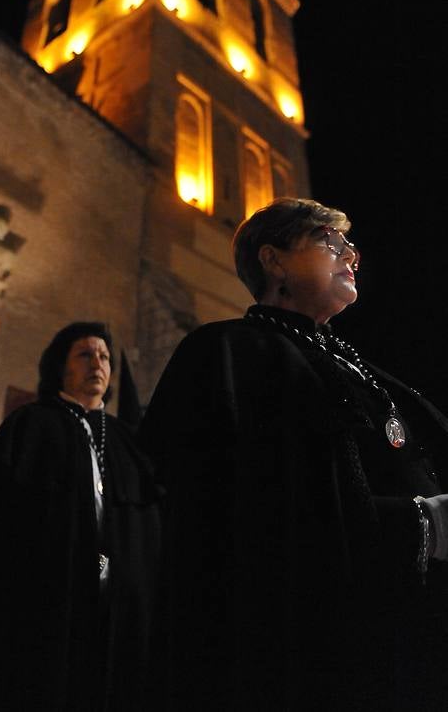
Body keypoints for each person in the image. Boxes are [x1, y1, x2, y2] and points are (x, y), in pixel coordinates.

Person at [140, 198, 448, 712]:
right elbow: (261, 511)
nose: (352, 254)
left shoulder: (351, 361)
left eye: (348, 244)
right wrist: (422, 525)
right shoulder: (230, 354)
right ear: (274, 260)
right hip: (316, 643)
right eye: (330, 241)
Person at [0, 322, 161, 712]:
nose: (98, 364)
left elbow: (146, 531)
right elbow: (4, 522)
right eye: (85, 354)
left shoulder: (127, 443)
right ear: (61, 367)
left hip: (112, 605)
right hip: (47, 599)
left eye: (104, 356)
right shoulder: (30, 426)